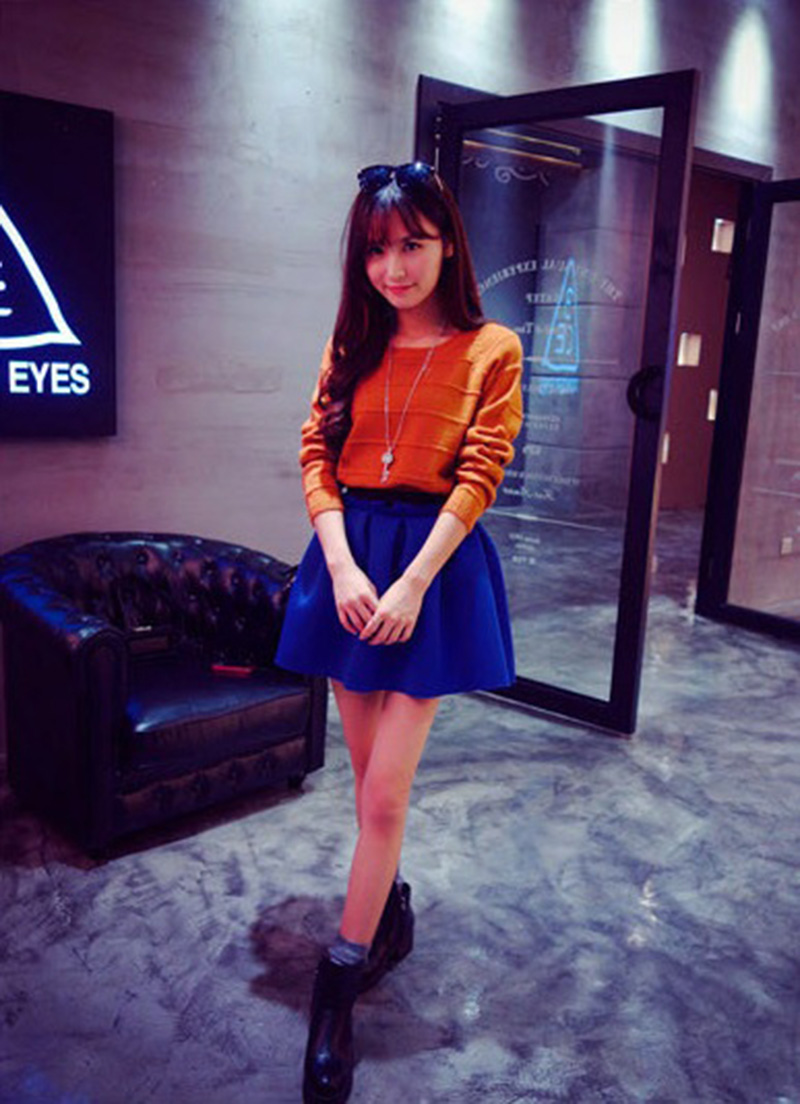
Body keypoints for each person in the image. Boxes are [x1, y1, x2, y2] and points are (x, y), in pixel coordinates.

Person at [275, 160, 523, 1104]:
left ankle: (339, 982)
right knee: (365, 779)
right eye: (378, 249)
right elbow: (316, 455)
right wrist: (343, 568)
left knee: (384, 793)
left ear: (447, 243)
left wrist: (413, 582)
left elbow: (482, 470)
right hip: (349, 559)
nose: (394, 267)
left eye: (412, 244)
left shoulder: (490, 347)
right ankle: (389, 913)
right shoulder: (352, 342)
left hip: (431, 568)